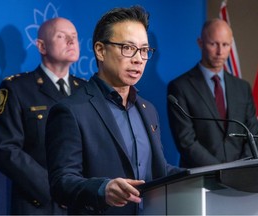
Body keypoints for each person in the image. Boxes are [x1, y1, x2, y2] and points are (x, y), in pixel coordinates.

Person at [45, 6, 185, 215]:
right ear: (100, 50)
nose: (138, 59)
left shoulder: (148, 110)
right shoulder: (70, 111)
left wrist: (206, 175)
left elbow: (158, 169)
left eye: (144, 50)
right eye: (128, 48)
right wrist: (103, 189)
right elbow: (61, 183)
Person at [0, 17, 86, 214]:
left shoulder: (86, 90)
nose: (71, 41)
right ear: (42, 46)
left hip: (83, 202)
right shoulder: (17, 88)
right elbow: (6, 149)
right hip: (40, 204)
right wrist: (56, 188)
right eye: (61, 36)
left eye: (74, 37)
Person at [167, 18, 258, 168]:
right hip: (200, 178)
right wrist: (220, 171)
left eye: (225, 45)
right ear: (200, 43)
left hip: (241, 177)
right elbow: (186, 141)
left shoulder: (243, 88)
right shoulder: (180, 87)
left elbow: (253, 133)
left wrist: (242, 168)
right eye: (213, 44)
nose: (219, 52)